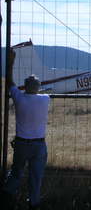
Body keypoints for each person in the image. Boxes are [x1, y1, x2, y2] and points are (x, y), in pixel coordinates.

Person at [1, 48, 50, 210]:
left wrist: (10, 62)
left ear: (25, 87)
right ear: (38, 88)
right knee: (36, 177)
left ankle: (7, 196)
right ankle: (34, 203)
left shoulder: (19, 97)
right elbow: (39, 93)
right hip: (39, 145)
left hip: (22, 143)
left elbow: (9, 81)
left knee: (16, 173)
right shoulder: (44, 99)